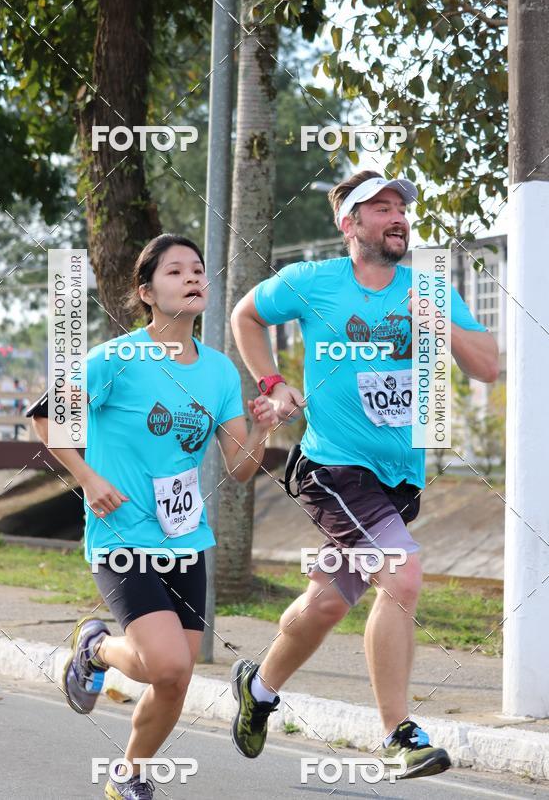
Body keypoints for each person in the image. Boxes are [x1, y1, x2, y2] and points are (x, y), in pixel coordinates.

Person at [228, 171, 500, 779]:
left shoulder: (428, 287)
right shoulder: (312, 281)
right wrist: (273, 383)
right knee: (402, 575)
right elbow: (246, 315)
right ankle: (398, 733)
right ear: (348, 223)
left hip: (399, 479)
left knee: (326, 602)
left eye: (400, 206)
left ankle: (259, 688)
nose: (397, 216)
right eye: (380, 208)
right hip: (332, 468)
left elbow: (486, 366)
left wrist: (439, 323)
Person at [27, 234, 276, 800]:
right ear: (146, 292)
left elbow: (240, 469)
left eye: (198, 270)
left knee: (175, 675)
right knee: (164, 665)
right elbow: (44, 417)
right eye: (175, 271)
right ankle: (95, 648)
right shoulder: (116, 359)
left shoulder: (219, 372)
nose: (192, 278)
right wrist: (88, 479)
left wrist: (263, 429)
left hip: (184, 537)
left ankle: (129, 773)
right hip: (121, 535)